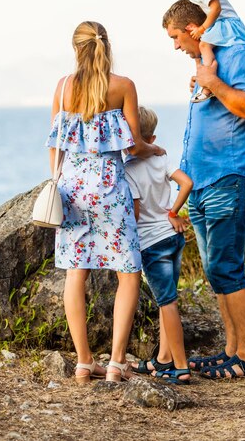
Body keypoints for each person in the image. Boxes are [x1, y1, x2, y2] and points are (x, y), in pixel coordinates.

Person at [46, 21, 165, 383]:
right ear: (106, 45)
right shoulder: (123, 86)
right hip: (111, 189)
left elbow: (55, 144)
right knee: (127, 273)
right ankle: (115, 363)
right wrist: (154, 148)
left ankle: (84, 362)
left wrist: (60, 182)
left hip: (72, 190)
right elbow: (132, 145)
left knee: (75, 273)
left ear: (75, 48)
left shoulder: (64, 87)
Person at [162, 0, 245, 380]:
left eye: (175, 37)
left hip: (230, 176)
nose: (175, 46)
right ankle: (232, 352)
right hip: (203, 183)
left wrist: (214, 83)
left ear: (193, 29)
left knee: (228, 269)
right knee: (215, 271)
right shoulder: (205, 66)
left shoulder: (237, 55)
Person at [124, 106, 193, 385]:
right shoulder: (162, 158)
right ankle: (163, 359)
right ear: (152, 139)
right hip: (173, 237)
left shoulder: (128, 170)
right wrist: (173, 212)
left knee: (167, 303)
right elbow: (186, 183)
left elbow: (136, 213)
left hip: (151, 243)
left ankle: (181, 366)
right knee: (169, 300)